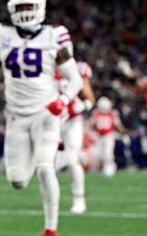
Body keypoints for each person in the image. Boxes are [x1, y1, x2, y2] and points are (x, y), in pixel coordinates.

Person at [0, 0, 83, 236]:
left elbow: (76, 79)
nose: (26, 12)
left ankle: (50, 229)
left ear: (41, 8)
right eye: (21, 7)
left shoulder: (53, 36)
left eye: (30, 7)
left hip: (46, 114)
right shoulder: (1, 35)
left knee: (45, 167)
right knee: (17, 180)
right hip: (15, 116)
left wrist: (64, 99)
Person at [55, 60, 96, 214]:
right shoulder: (43, 66)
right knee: (48, 165)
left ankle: (79, 199)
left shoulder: (76, 68)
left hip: (72, 120)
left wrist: (84, 105)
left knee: (73, 160)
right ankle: (52, 200)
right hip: (53, 121)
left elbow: (90, 98)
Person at [87, 96, 126, 178]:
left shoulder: (112, 113)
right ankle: (103, 168)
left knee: (108, 153)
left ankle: (110, 168)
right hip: (99, 136)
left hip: (109, 135)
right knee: (99, 154)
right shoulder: (96, 113)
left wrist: (124, 134)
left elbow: (118, 125)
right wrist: (89, 131)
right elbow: (90, 124)